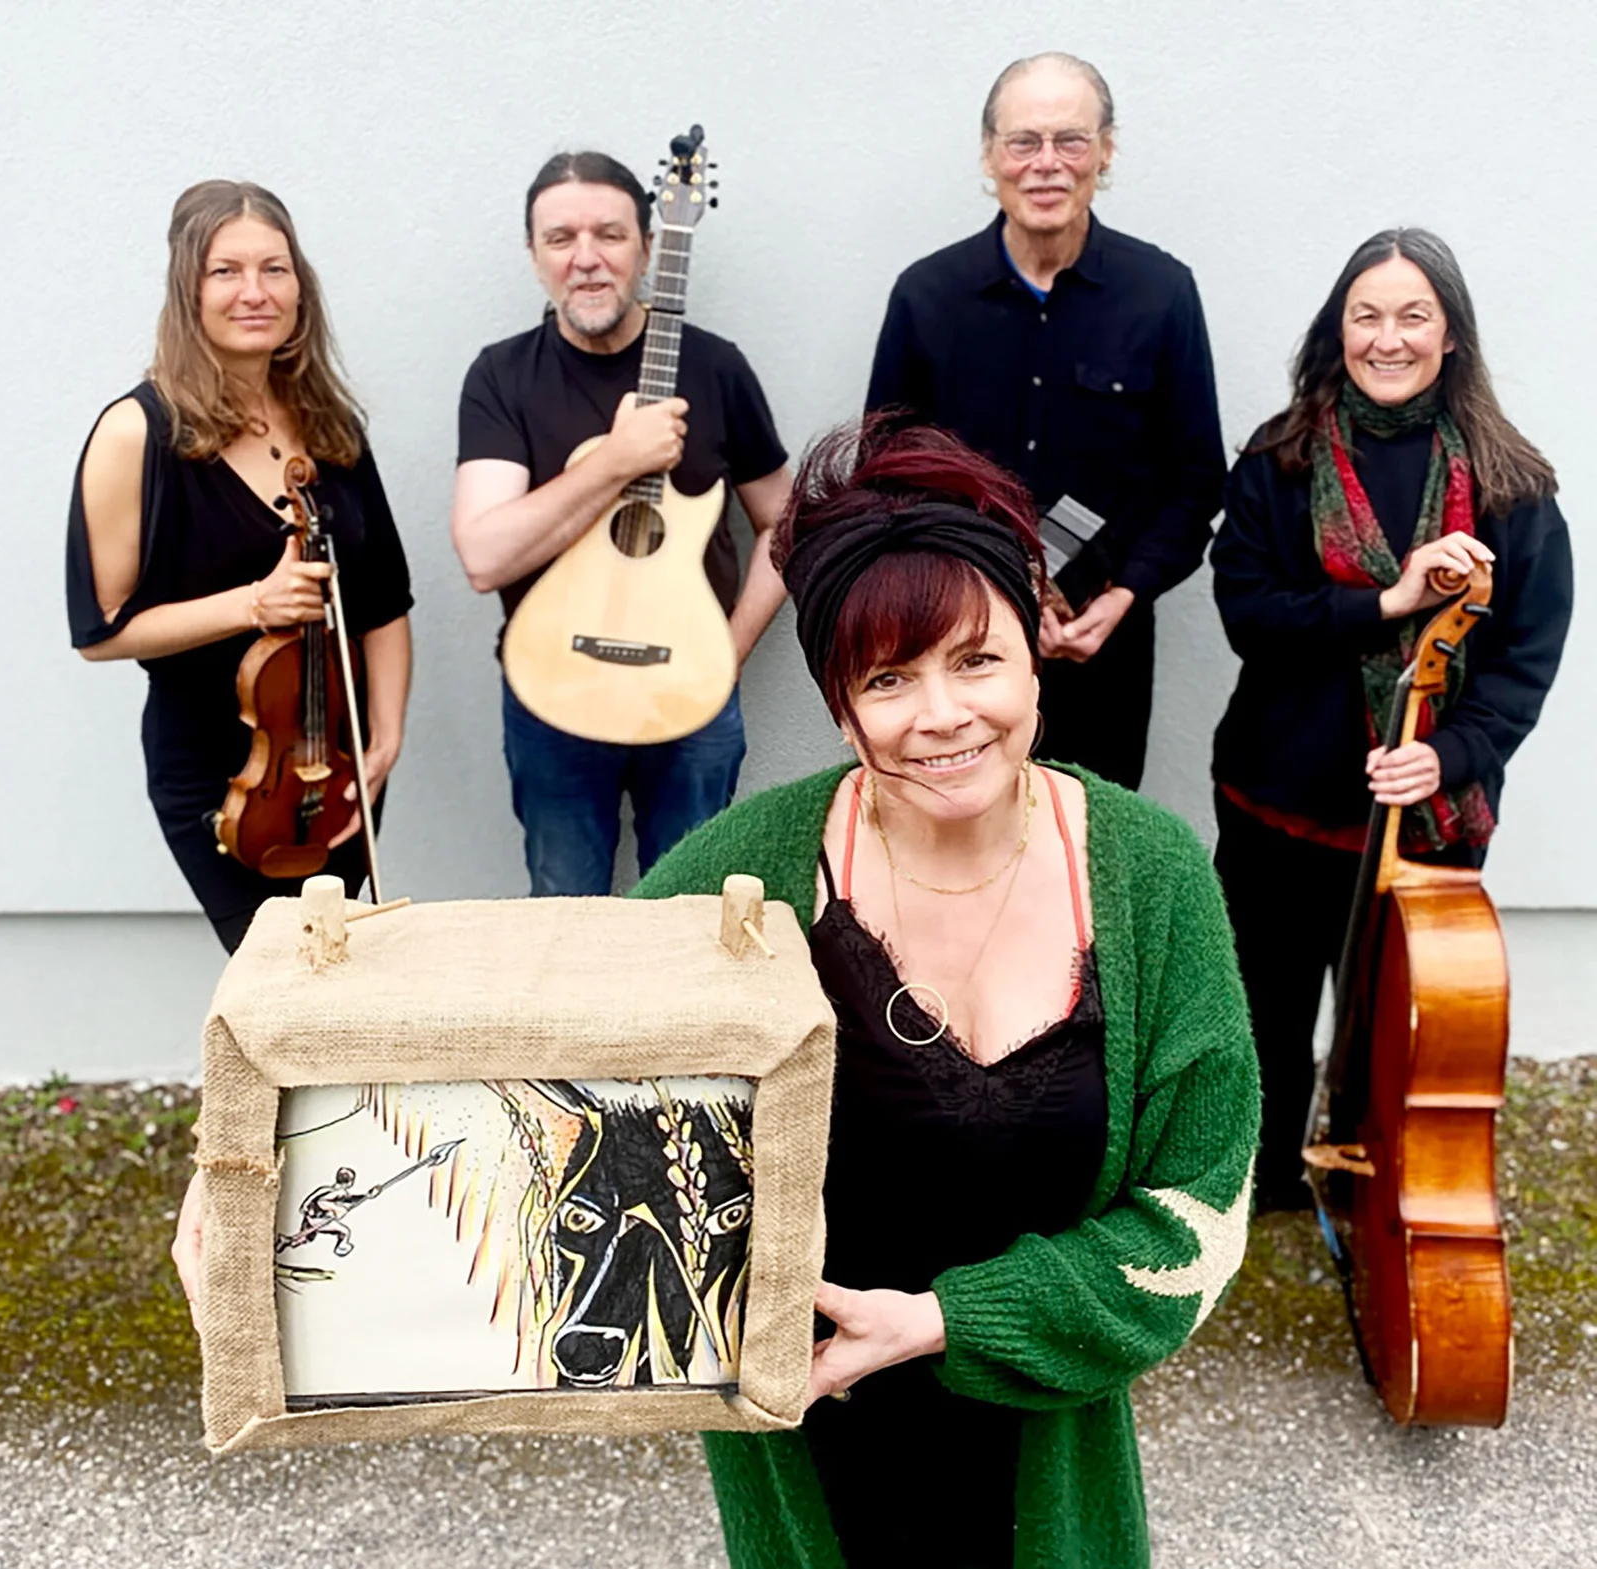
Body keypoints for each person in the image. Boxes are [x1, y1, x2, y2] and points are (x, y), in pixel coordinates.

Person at [632, 421, 1259, 1568]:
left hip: (1044, 1437)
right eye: (888, 678)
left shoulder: (1153, 876)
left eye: (975, 660)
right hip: (812, 1438)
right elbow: (562, 1087)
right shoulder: (739, 879)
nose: (941, 714)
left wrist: (943, 1321)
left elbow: (1197, 1214)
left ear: (1036, 653)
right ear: (839, 707)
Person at [1210, 228, 1574, 1213]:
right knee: (1267, 1009)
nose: (1388, 338)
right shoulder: (1279, 460)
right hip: (1279, 805)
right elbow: (1248, 614)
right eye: (1365, 315)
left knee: (1392, 1024)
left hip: (1426, 815)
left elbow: (1526, 655)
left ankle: (1370, 1187)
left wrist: (1449, 754)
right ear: (1338, 330)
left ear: (1451, 333)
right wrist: (1387, 601)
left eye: (1414, 315)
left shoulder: (1511, 482)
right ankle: (1264, 1184)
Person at [67, 180, 413, 954]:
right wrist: (255, 603)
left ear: (300, 286)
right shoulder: (136, 433)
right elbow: (102, 629)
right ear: (188, 289)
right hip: (219, 779)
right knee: (274, 977)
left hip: (333, 763)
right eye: (226, 271)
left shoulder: (329, 424)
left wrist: (385, 736)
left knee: (337, 964)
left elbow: (385, 600)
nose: (255, 292)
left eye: (274, 269)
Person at [865, 51, 1224, 791]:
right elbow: (884, 479)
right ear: (989, 154)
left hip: (1102, 649)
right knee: (953, 834)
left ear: (1106, 151)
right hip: (949, 655)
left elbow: (1195, 484)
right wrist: (971, 608)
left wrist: (1123, 596)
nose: (1046, 164)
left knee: (1090, 840)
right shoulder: (925, 298)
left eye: (1071, 140)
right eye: (1024, 141)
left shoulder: (1162, 294)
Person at [451, 150, 793, 894]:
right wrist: (616, 460)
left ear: (648, 246)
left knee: (691, 904)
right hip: (553, 688)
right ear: (534, 255)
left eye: (609, 234)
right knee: (565, 906)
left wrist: (726, 652)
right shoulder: (501, 377)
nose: (586, 258)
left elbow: (786, 524)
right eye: (560, 238)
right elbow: (484, 556)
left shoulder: (718, 368)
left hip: (692, 695)